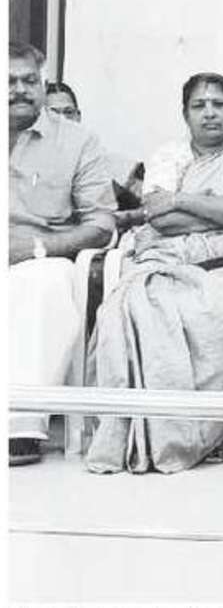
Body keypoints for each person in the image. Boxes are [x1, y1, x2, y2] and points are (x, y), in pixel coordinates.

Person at [85, 72, 223, 473]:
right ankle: (145, 435)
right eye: (199, 106)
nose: (209, 113)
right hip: (165, 259)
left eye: (219, 104)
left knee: (218, 311)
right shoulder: (169, 157)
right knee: (123, 311)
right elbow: (160, 221)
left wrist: (181, 200)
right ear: (185, 114)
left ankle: (206, 430)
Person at [8, 42, 118, 467]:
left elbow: (102, 223)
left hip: (41, 255)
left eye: (29, 81)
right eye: (9, 82)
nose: (20, 90)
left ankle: (18, 425)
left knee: (44, 283)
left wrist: (38, 248)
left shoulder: (77, 141)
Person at [44, 80, 147, 215]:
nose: (63, 119)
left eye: (69, 112)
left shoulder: (104, 160)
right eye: (54, 113)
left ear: (78, 116)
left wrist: (126, 217)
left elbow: (146, 207)